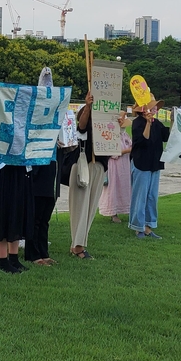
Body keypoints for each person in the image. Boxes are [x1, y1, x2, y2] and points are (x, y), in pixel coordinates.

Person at [25, 67, 59, 267]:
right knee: (36, 214)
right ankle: (32, 253)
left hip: (51, 163)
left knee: (45, 213)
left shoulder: (57, 115)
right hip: (37, 164)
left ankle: (43, 251)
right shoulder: (34, 116)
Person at [69, 92, 107, 259]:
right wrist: (88, 107)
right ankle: (77, 246)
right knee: (81, 207)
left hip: (100, 165)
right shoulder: (86, 116)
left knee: (90, 208)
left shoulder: (107, 117)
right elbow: (81, 127)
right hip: (86, 166)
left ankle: (80, 244)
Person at [130, 91, 169, 240]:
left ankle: (148, 225)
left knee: (152, 196)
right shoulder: (138, 123)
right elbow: (142, 140)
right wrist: (147, 122)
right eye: (152, 107)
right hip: (141, 163)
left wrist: (172, 121)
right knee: (140, 196)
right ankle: (137, 226)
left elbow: (167, 136)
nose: (155, 110)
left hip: (154, 163)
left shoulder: (157, 123)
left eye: (156, 108)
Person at [99, 111, 132, 224]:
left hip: (124, 165)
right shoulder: (111, 135)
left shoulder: (125, 135)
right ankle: (113, 212)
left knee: (124, 187)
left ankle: (124, 208)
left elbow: (131, 144)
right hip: (114, 165)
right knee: (113, 188)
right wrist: (127, 150)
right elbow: (112, 152)